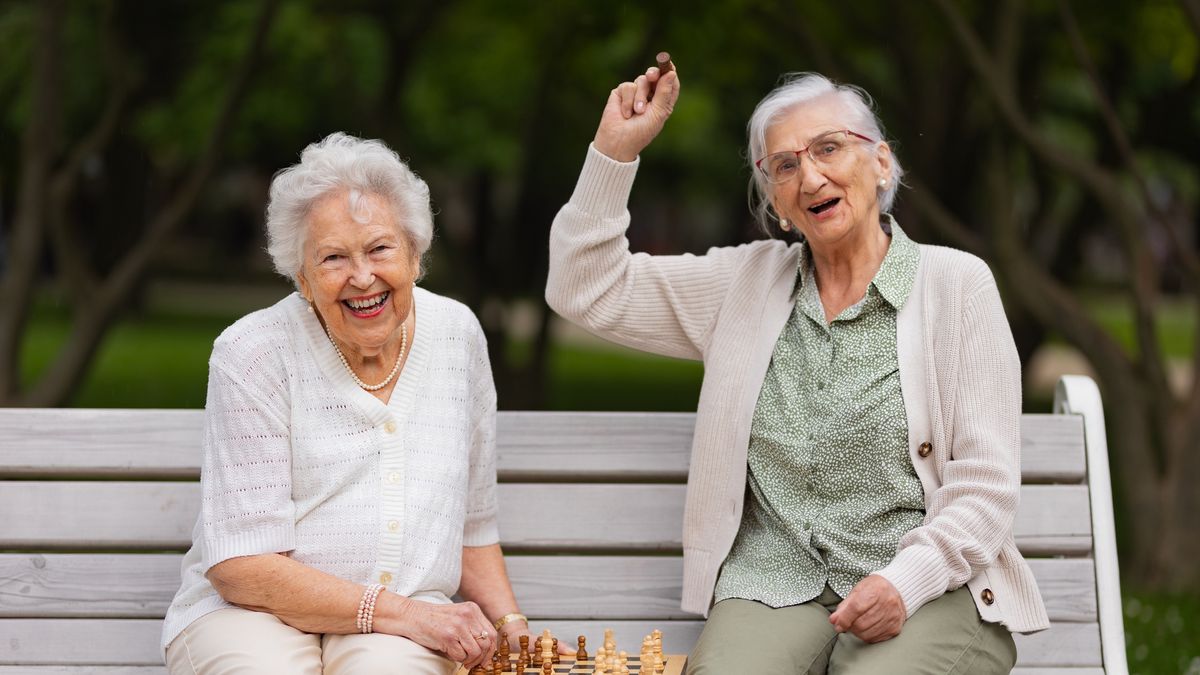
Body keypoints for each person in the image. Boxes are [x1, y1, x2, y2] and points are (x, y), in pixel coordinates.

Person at [545, 66, 1050, 674]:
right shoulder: (744, 286)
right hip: (775, 580)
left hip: (932, 584)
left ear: (881, 164)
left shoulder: (957, 285)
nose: (810, 176)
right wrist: (614, 154)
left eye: (829, 148)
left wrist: (903, 584)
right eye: (784, 166)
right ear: (778, 205)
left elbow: (985, 488)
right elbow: (584, 289)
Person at [162, 132, 536, 674]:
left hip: (408, 621)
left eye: (380, 249)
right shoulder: (252, 353)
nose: (362, 277)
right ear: (304, 280)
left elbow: (472, 527)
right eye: (333, 257)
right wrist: (394, 612)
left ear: (414, 254)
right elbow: (241, 567)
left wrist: (513, 631)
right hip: (247, 615)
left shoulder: (457, 337)